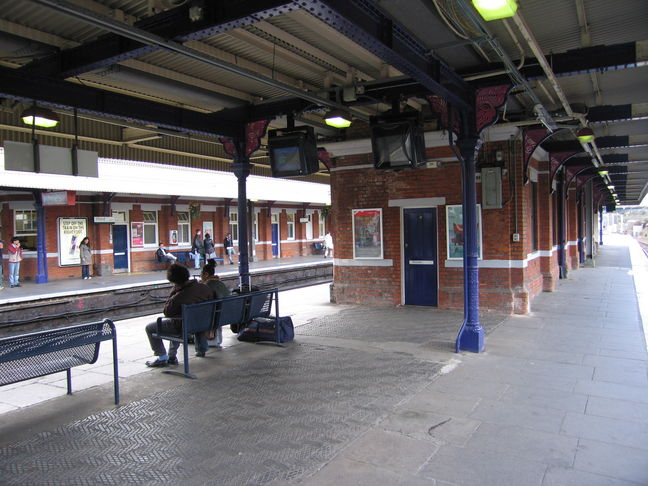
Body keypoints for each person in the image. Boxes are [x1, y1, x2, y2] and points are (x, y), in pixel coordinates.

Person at [144, 264, 213, 367]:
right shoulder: (204, 287)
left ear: (174, 281)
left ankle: (162, 357)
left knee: (150, 328)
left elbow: (167, 312)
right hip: (202, 322)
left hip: (185, 326)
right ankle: (196, 350)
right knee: (181, 318)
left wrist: (174, 292)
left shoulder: (178, 296)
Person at [201, 261, 231, 347]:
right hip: (229, 314)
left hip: (216, 316)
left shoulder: (207, 285)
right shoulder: (220, 283)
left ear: (206, 274)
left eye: (201, 274)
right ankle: (217, 339)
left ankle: (206, 342)